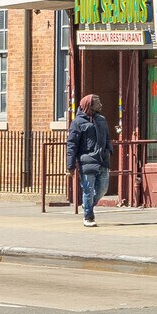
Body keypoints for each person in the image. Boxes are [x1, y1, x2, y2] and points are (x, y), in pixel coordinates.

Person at [66, 95, 112, 227]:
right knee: (88, 190)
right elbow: (72, 144)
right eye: (97, 103)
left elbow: (108, 138)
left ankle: (87, 205)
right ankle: (88, 217)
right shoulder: (78, 122)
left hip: (102, 160)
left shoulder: (102, 120)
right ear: (89, 105)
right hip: (86, 161)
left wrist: (109, 151)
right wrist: (70, 164)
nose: (100, 105)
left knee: (103, 188)